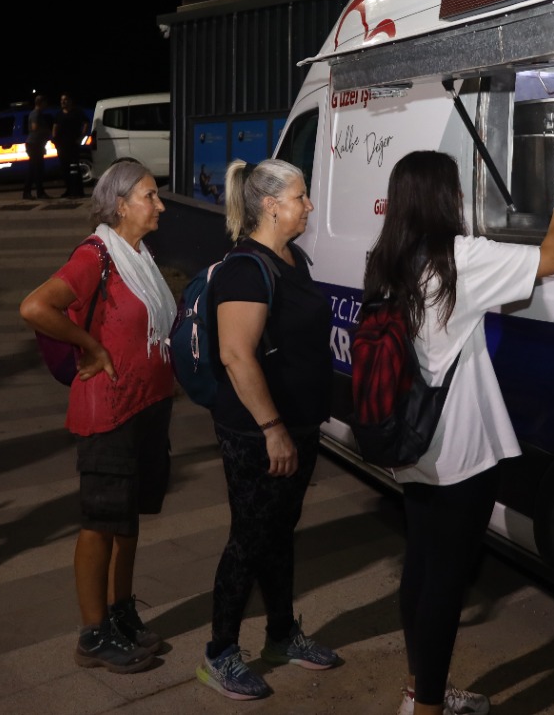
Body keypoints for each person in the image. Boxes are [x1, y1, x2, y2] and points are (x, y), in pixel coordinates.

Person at [365, 151, 554, 715]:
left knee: (421, 565)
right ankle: (427, 709)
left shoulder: (387, 258)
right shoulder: (457, 257)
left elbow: (479, 306)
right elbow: (548, 262)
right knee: (446, 580)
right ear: (444, 197)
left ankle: (418, 687)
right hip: (457, 448)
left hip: (410, 441)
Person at [18, 161, 178, 674]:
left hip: (148, 405)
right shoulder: (95, 255)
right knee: (100, 523)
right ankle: (92, 634)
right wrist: (88, 344)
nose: (160, 205)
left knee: (127, 521)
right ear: (121, 204)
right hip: (109, 408)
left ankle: (121, 611)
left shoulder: (140, 255)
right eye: (150, 196)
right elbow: (35, 306)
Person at [197, 158, 342, 701]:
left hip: (295, 423)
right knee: (250, 538)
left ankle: (282, 633)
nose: (308, 205)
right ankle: (219, 653)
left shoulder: (291, 257)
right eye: (301, 196)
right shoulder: (244, 268)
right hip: (258, 431)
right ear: (270, 205)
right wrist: (273, 428)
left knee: (280, 534)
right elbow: (236, 355)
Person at [55, 93, 88, 198]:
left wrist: (81, 137)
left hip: (73, 145)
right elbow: (55, 126)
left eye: (65, 100)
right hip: (62, 146)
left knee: (75, 169)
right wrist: (55, 140)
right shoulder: (59, 114)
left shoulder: (77, 112)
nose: (63, 102)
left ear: (70, 101)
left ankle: (78, 191)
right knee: (64, 169)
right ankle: (68, 190)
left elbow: (86, 122)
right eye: (61, 100)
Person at [24, 94, 55, 200]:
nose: (46, 105)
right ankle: (37, 193)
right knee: (36, 169)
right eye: (45, 103)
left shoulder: (38, 113)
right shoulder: (36, 114)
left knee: (35, 169)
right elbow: (34, 127)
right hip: (34, 144)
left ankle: (32, 192)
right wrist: (47, 131)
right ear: (41, 103)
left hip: (37, 144)